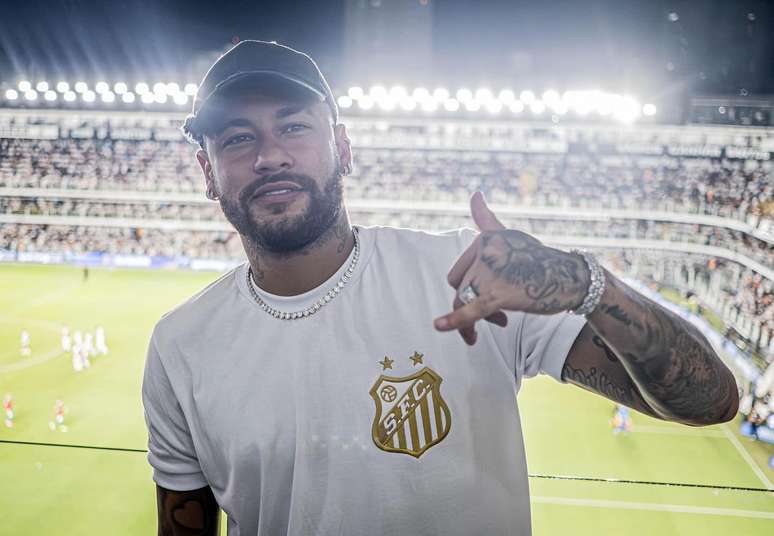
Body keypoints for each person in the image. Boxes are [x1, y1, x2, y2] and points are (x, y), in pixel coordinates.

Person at [142, 40, 739, 536]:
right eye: (238, 138)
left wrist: (587, 285)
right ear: (207, 172)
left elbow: (710, 400)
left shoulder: (467, 275)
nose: (270, 155)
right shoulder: (180, 347)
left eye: (294, 126)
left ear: (343, 148)